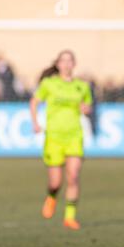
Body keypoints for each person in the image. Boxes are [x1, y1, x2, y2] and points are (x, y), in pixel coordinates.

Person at [30, 50, 92, 230]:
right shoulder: (49, 84)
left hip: (74, 136)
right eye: (63, 61)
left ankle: (69, 217)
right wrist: (35, 122)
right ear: (57, 64)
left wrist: (85, 109)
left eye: (69, 60)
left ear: (74, 64)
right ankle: (51, 196)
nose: (66, 64)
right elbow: (34, 102)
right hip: (54, 137)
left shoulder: (82, 86)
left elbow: (87, 106)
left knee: (73, 176)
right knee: (55, 182)